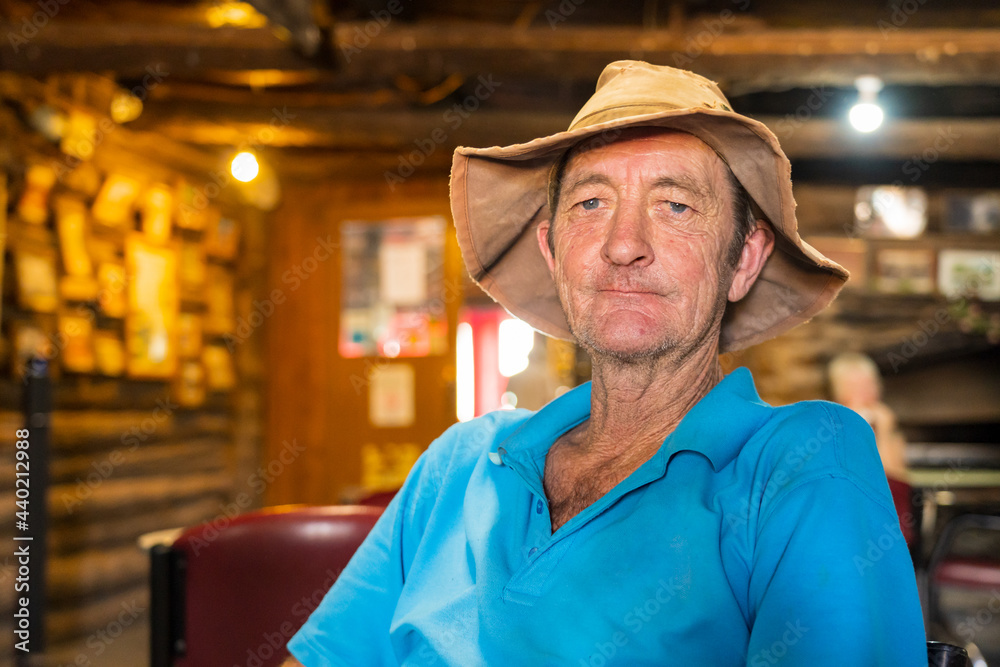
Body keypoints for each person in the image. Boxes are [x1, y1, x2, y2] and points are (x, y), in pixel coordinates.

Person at [284, 61, 926, 666]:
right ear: (553, 251)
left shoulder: (798, 461)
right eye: (590, 204)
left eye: (675, 206)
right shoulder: (458, 464)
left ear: (744, 260)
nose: (623, 245)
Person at [828, 352, 909, 482]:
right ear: (839, 391)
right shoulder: (829, 427)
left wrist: (884, 431)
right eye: (855, 387)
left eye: (869, 385)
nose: (865, 393)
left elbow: (895, 481)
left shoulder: (887, 427)